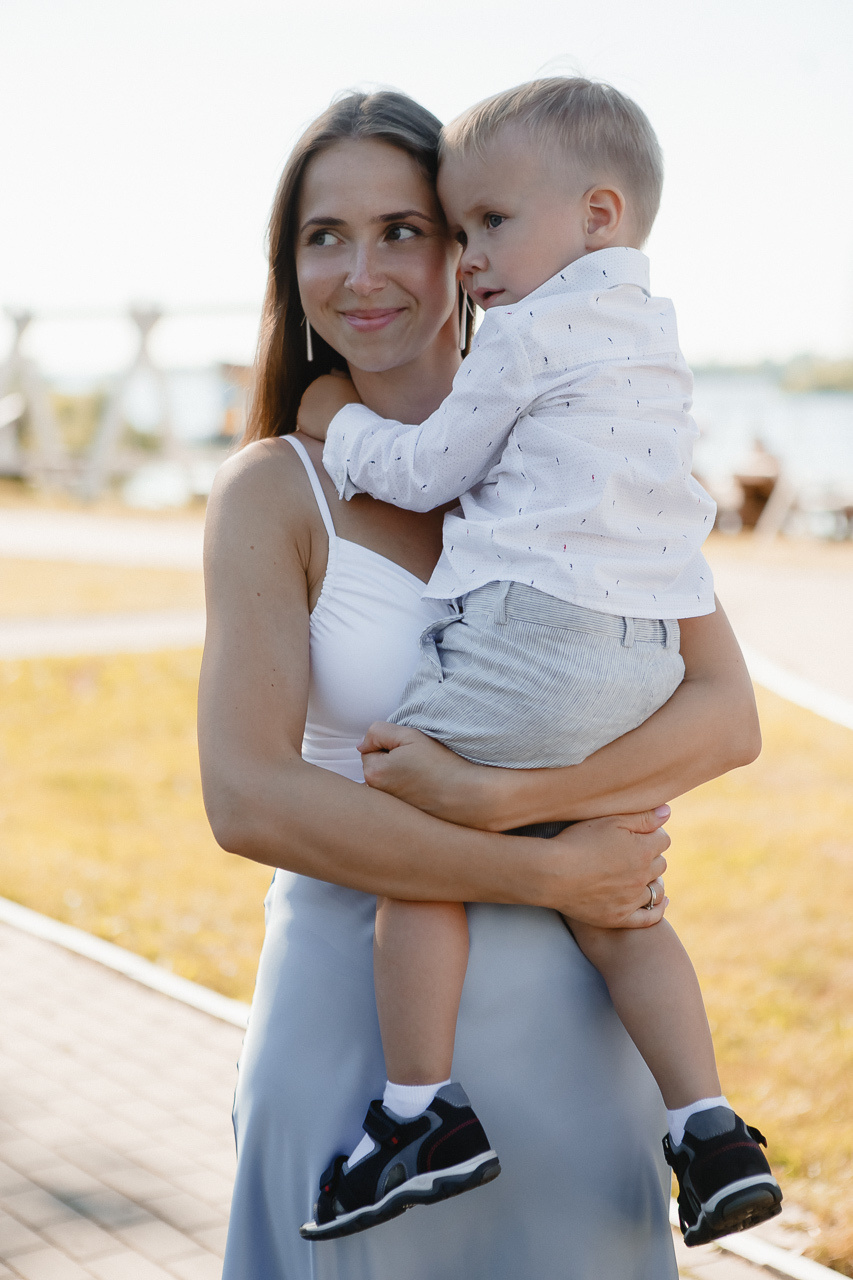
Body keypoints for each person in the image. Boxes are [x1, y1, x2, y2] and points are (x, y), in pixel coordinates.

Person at [198, 88, 762, 1280]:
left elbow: (725, 715)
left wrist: (508, 797)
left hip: (576, 1031)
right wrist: (545, 865)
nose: (362, 272)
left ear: (465, 244)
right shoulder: (273, 489)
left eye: (403, 230)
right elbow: (247, 799)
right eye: (323, 235)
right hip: (355, 1033)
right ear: (287, 265)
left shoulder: (582, 449)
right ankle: (418, 1121)